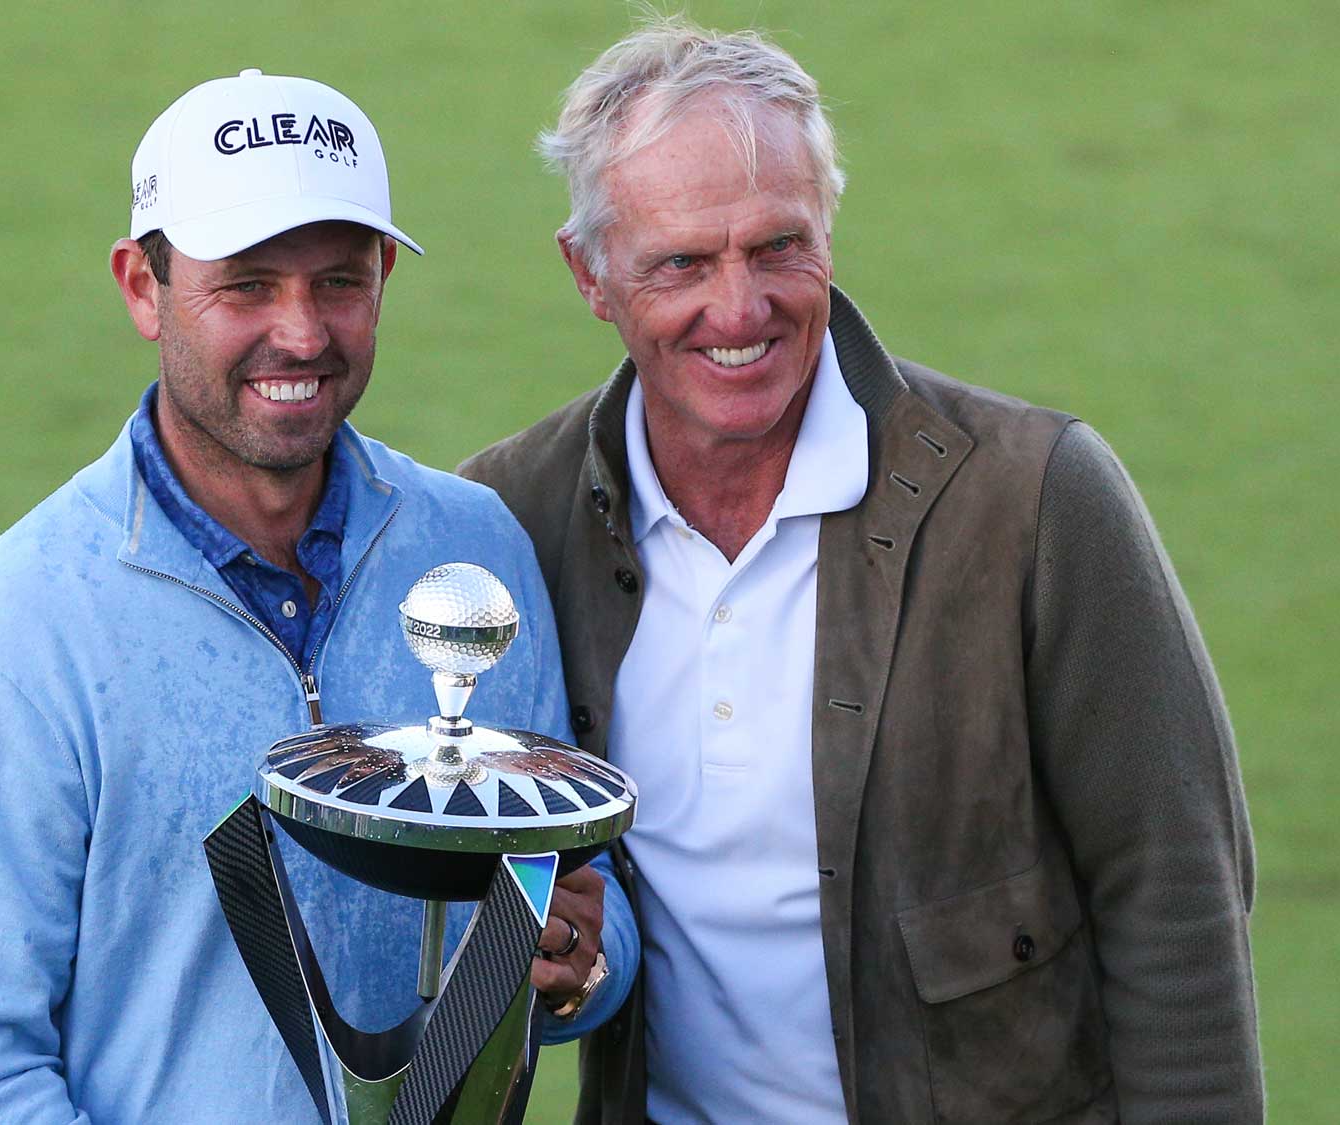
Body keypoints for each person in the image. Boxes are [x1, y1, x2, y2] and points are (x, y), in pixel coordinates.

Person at [462, 18, 1261, 1125]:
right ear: (589, 274)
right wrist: (562, 975)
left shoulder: (1034, 499)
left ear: (828, 229)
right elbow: (524, 932)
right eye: (682, 263)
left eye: (776, 246)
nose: (739, 309)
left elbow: (1173, 892)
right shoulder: (513, 517)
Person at [0, 70, 633, 1123]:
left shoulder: (473, 552)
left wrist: (571, 969)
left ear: (382, 277)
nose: (302, 333)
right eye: (246, 285)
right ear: (142, 289)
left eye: (337, 281)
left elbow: (573, 907)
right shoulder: (8, 636)